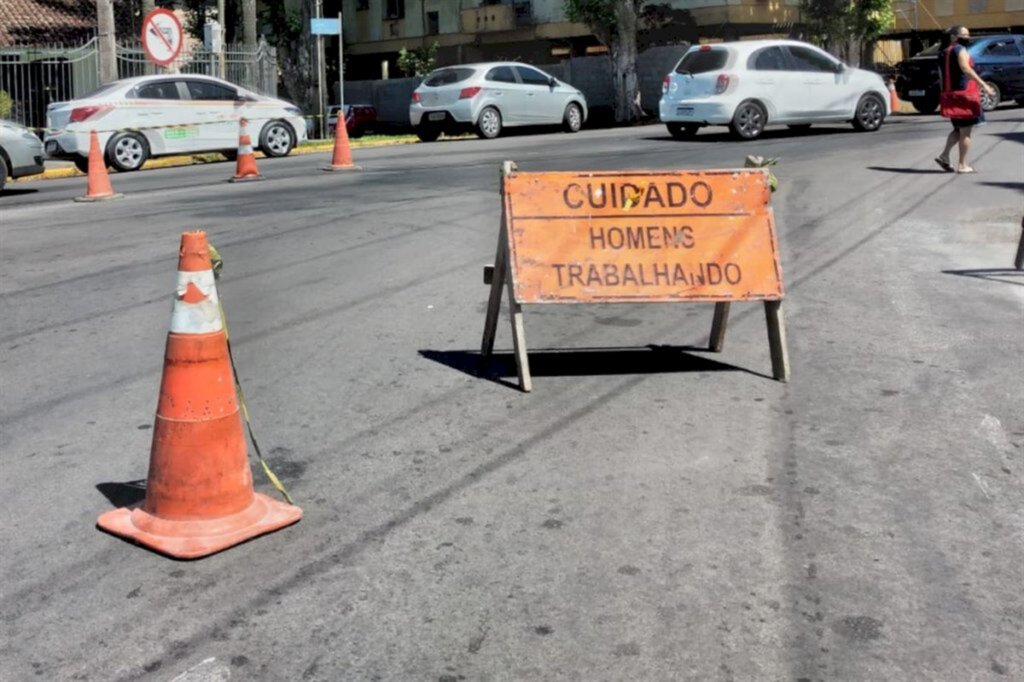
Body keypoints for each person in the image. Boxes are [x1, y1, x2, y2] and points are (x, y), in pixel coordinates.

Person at [935, 25, 995, 174]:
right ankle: (963, 165)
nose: (967, 37)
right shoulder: (960, 50)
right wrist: (984, 85)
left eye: (969, 34)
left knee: (957, 129)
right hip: (964, 96)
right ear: (954, 36)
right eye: (964, 35)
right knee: (965, 133)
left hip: (951, 95)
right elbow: (966, 69)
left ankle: (944, 156)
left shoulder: (943, 52)